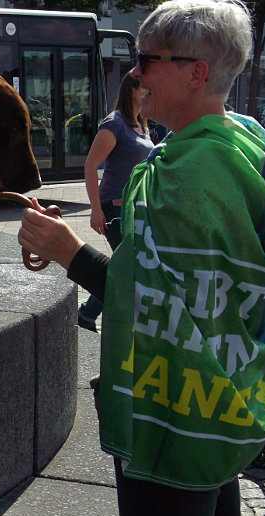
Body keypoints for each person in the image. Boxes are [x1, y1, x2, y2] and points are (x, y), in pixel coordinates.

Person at [17, 1, 265, 516]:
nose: (135, 71)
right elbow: (201, 296)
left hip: (174, 417)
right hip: (225, 400)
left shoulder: (188, 174)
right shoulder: (240, 142)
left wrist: (67, 251)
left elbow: (147, 301)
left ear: (196, 73)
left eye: (148, 58)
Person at [78, 72, 155, 332]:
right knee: (127, 269)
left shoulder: (141, 124)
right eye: (146, 87)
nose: (150, 91)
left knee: (128, 268)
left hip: (136, 210)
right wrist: (96, 210)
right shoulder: (115, 124)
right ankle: (87, 315)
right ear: (132, 90)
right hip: (115, 209)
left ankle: (88, 315)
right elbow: (90, 166)